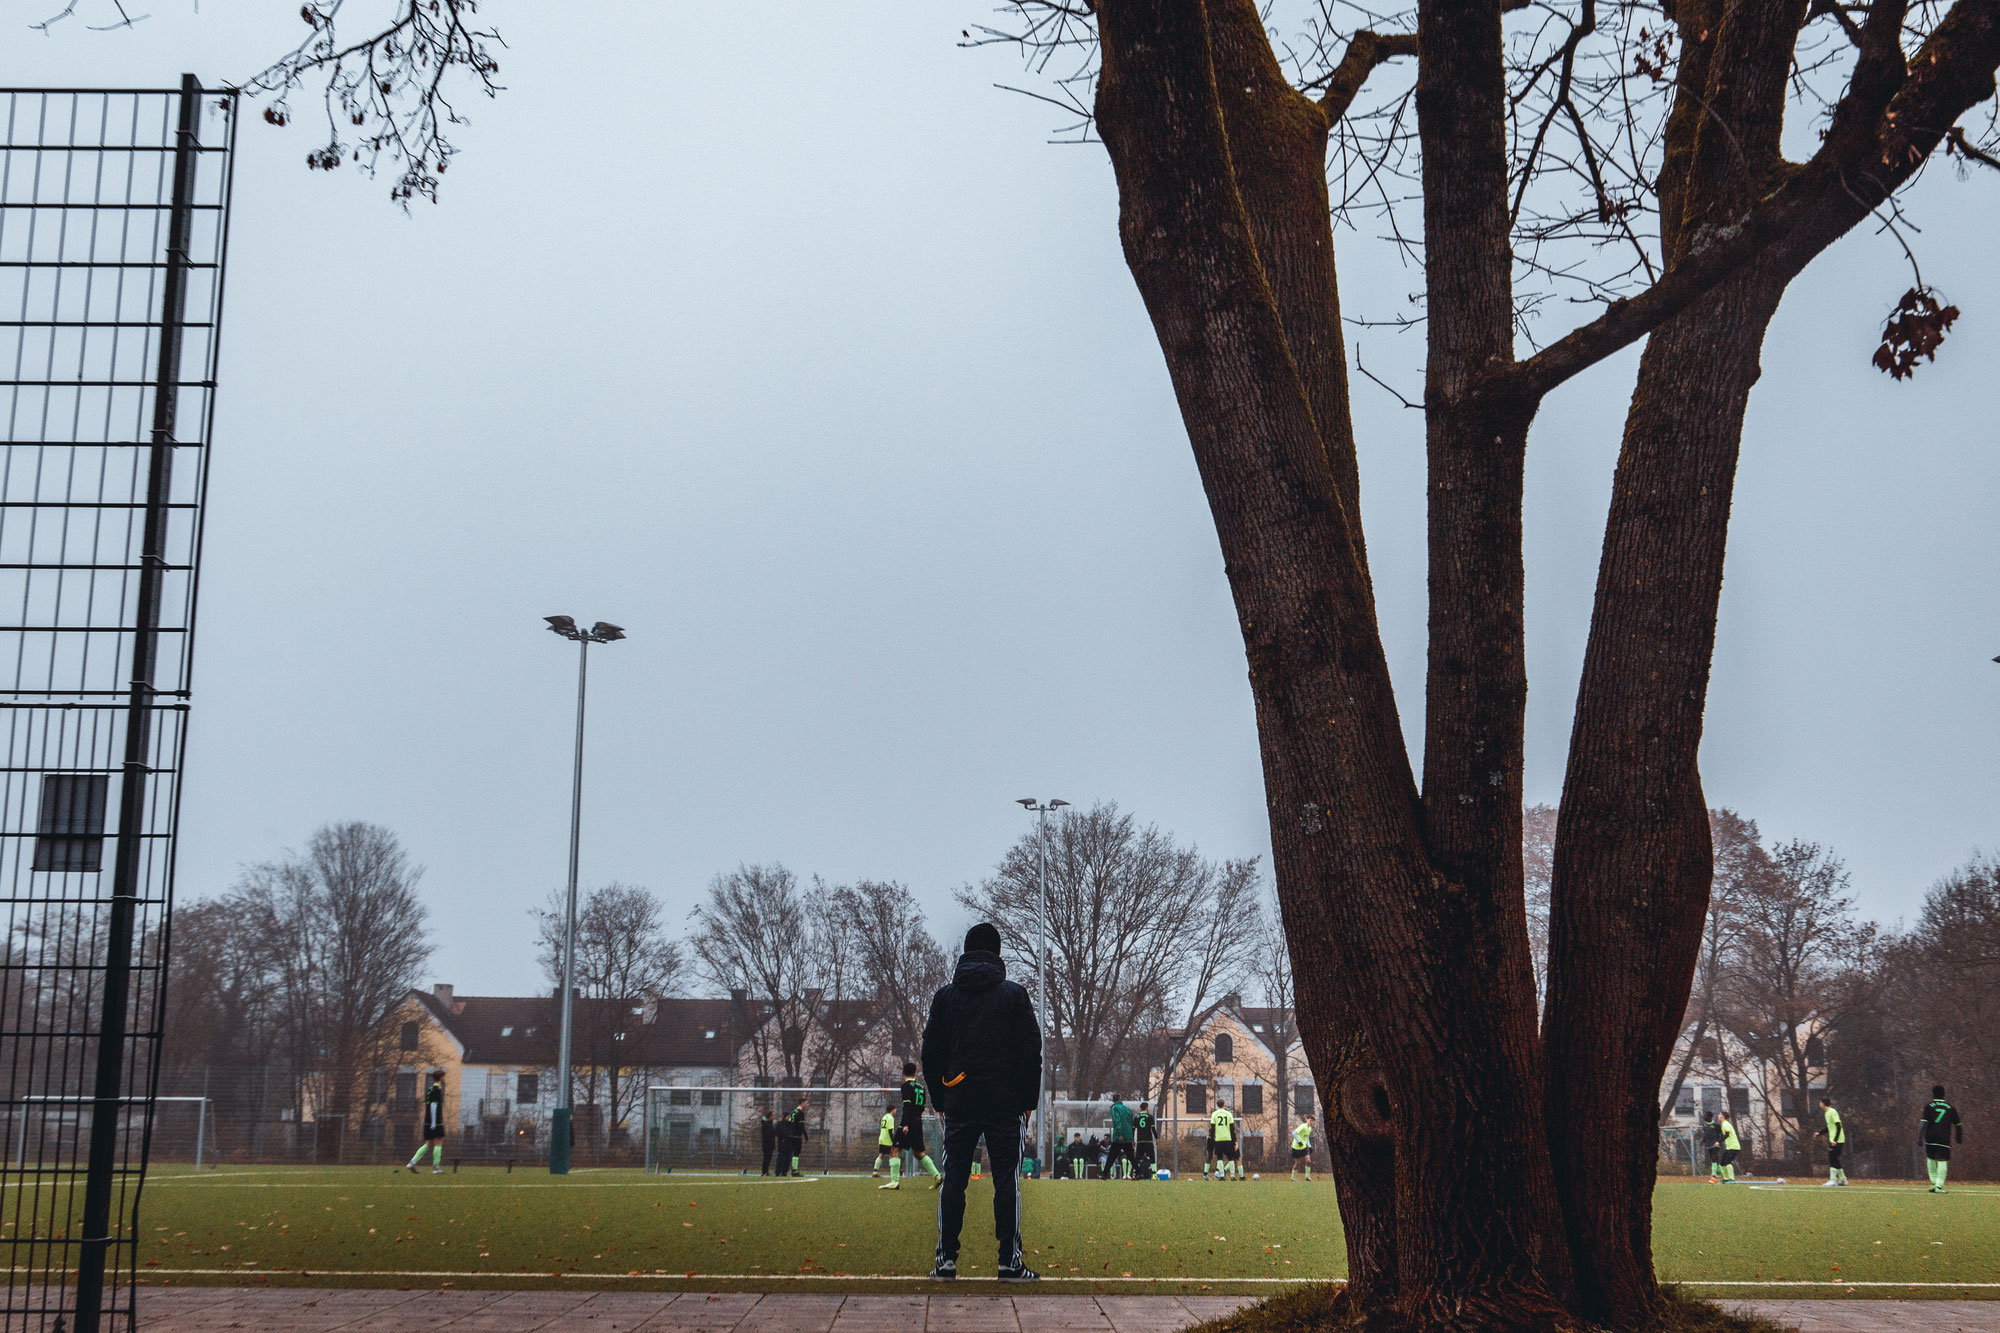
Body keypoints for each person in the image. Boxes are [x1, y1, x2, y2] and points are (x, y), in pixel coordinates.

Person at [920, 921, 1043, 1283]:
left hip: (959, 1100)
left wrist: (941, 1098)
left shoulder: (945, 997)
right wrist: (1028, 1100)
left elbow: (931, 1054)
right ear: (997, 954)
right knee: (1007, 1180)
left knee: (954, 1178)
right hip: (1006, 1103)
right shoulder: (1015, 995)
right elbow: (1030, 1051)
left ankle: (945, 1261)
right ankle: (1009, 1262)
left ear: (966, 952)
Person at [900, 1060, 942, 1185]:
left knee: (894, 1149)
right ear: (915, 1073)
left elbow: (907, 1106)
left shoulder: (905, 1086)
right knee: (918, 1152)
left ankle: (894, 1182)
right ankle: (937, 1175)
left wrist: (906, 1124)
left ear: (903, 1072)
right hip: (918, 1120)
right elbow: (922, 1106)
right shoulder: (921, 1087)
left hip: (908, 1121)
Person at [1921, 1085, 1964, 1193]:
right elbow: (1958, 1124)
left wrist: (1919, 1137)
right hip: (1944, 1139)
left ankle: (1934, 1183)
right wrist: (1958, 1138)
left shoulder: (1929, 1106)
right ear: (1944, 1094)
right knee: (1942, 1161)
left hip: (1930, 1138)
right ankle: (1939, 1186)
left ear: (1933, 1094)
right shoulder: (1950, 1108)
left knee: (1930, 1159)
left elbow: (1923, 1124)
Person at [405, 1070, 446, 1174]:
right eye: (443, 1077)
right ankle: (436, 1168)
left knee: (429, 1143)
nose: (444, 1078)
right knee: (438, 1142)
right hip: (435, 1120)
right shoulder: (436, 1090)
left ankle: (412, 1162)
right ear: (440, 1078)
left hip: (428, 1119)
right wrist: (434, 1122)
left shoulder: (430, 1089)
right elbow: (433, 1105)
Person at [1815, 1096, 1848, 1187]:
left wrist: (1835, 1140)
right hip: (1834, 1140)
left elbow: (1838, 1126)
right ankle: (1843, 1180)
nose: (1819, 1104)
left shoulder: (1832, 1112)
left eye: (1820, 1102)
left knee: (1832, 1158)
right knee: (1835, 1159)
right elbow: (1830, 1127)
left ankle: (1833, 1180)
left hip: (1837, 1140)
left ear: (1823, 1103)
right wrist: (1819, 1132)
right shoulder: (1827, 1113)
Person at [1108, 1094, 1136, 1179]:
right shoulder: (1127, 1109)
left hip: (1120, 1137)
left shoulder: (1114, 1108)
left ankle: (1107, 1174)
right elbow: (1131, 1124)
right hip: (1128, 1136)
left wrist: (1119, 1134)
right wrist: (1131, 1138)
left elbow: (1118, 1122)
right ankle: (1135, 1174)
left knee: (1112, 1156)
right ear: (1120, 1098)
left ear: (1113, 1100)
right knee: (1130, 1157)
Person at [1210, 1102, 1239, 1180]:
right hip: (1228, 1139)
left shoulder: (1214, 1114)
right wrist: (1235, 1141)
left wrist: (1212, 1139)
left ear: (1217, 1105)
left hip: (1218, 1139)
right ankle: (1232, 1176)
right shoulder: (1228, 1114)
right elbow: (1232, 1129)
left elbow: (1212, 1128)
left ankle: (1222, 1176)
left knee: (1219, 1157)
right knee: (1230, 1157)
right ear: (1224, 1105)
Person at [876, 1102, 902, 1187]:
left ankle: (875, 1171)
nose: (896, 1110)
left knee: (881, 1154)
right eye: (895, 1109)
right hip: (887, 1139)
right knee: (893, 1154)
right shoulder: (890, 1118)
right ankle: (895, 1174)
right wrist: (893, 1141)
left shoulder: (884, 1116)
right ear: (893, 1110)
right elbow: (890, 1131)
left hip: (881, 1138)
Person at [1712, 1110, 1740, 1183]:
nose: (1718, 1115)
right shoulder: (1723, 1124)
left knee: (1727, 1162)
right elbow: (1723, 1135)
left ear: (1723, 1116)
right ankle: (1725, 1179)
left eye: (1720, 1114)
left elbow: (1727, 1134)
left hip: (1734, 1146)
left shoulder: (1725, 1124)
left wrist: (1719, 1142)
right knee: (1722, 1163)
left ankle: (1731, 1179)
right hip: (1729, 1147)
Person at [785, 1098, 809, 1177]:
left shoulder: (793, 1112)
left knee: (794, 1153)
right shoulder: (800, 1113)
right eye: (806, 1103)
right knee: (796, 1153)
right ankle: (794, 1171)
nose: (806, 1105)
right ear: (802, 1103)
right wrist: (806, 1137)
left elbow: (790, 1121)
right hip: (797, 1136)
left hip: (791, 1135)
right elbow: (801, 1126)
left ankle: (793, 1170)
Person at [1134, 1101, 1157, 1180]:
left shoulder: (1137, 1117)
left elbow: (1133, 1129)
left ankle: (1136, 1174)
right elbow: (1153, 1129)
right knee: (1152, 1157)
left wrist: (1132, 1140)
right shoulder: (1150, 1117)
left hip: (1140, 1141)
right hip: (1148, 1141)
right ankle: (1154, 1175)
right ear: (1147, 1107)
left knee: (1137, 1158)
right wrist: (1156, 1138)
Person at [1290, 1113, 1315, 1181]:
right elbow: (1294, 1133)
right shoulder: (1303, 1126)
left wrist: (1309, 1146)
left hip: (1303, 1147)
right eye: (1310, 1120)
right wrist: (1299, 1142)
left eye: (1312, 1121)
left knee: (1308, 1161)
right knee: (1297, 1163)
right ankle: (1293, 1177)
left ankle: (1307, 1177)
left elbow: (1306, 1138)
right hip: (1296, 1147)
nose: (1311, 1122)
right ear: (1307, 1120)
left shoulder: (1309, 1128)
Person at [758, 1111, 777, 1177]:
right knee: (766, 1158)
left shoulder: (769, 1124)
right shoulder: (766, 1125)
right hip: (767, 1144)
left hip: (770, 1144)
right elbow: (768, 1134)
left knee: (768, 1158)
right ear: (770, 1116)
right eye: (772, 1116)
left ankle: (766, 1171)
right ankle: (764, 1172)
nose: (773, 1117)